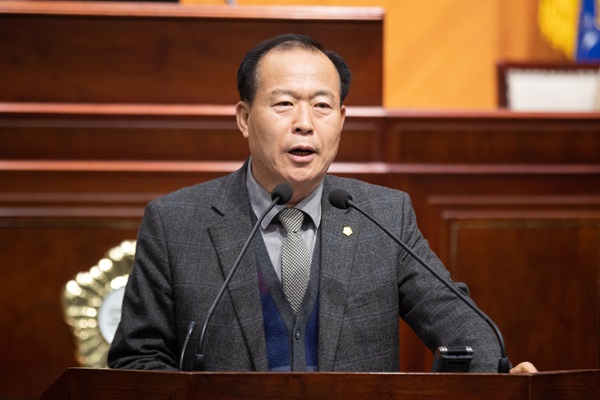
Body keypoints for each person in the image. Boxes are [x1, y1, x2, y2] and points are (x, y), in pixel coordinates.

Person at [108, 34, 536, 374]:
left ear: (341, 120)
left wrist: (498, 374)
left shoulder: (385, 216)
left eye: (322, 106)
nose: (305, 123)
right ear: (244, 118)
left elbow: (455, 319)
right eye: (284, 104)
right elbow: (137, 358)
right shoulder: (175, 222)